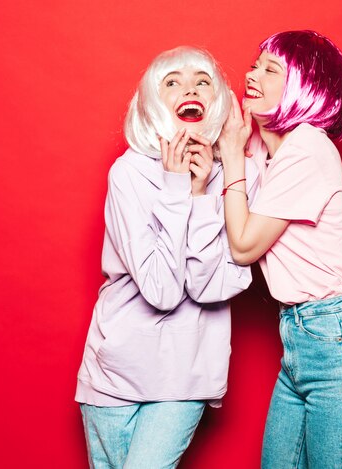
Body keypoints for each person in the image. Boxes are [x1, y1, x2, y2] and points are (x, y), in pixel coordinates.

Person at [75, 46, 258, 468]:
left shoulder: (237, 177)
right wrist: (178, 190)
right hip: (113, 375)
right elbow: (159, 287)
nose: (188, 88)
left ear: (218, 102)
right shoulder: (129, 173)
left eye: (202, 80)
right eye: (172, 81)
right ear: (154, 101)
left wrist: (199, 192)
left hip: (185, 377)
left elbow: (209, 286)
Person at [218, 30, 342, 468]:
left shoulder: (308, 148)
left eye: (270, 69)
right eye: (255, 65)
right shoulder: (267, 149)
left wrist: (234, 158)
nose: (252, 74)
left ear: (303, 87)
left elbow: (242, 246)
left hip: (337, 348)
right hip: (299, 343)